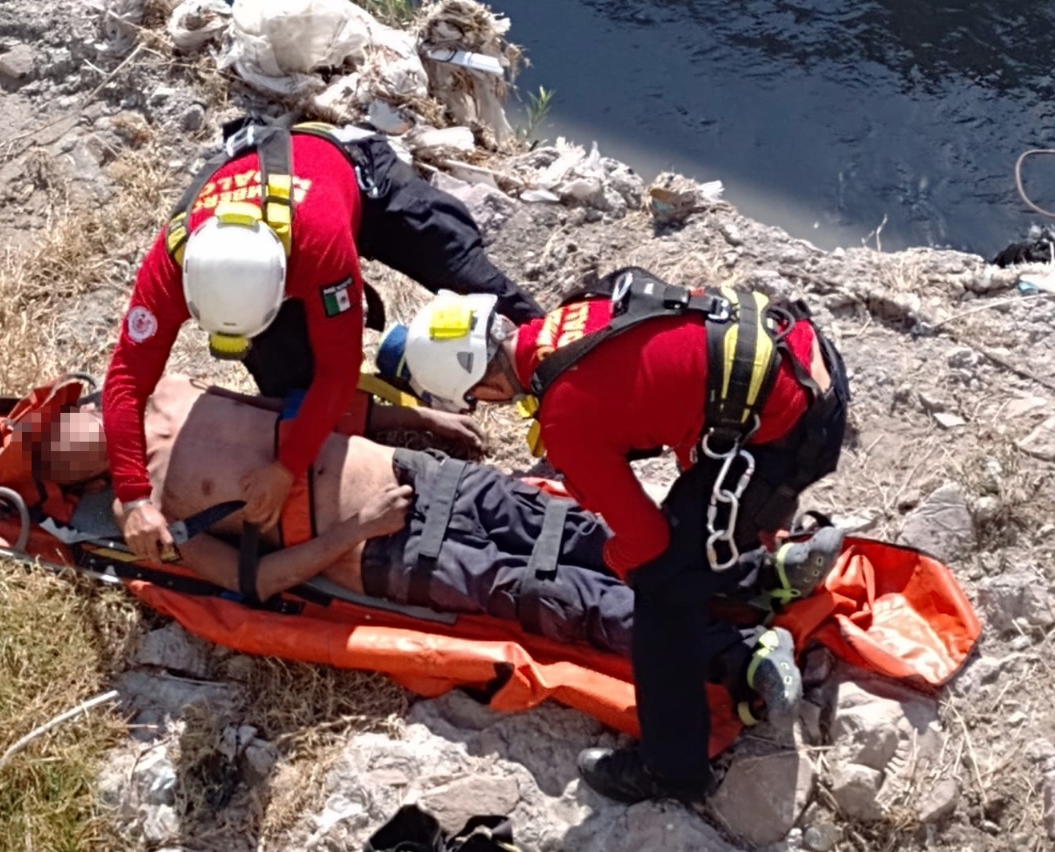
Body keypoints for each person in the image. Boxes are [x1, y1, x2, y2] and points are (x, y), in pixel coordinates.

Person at [43, 373, 804, 715]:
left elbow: (301, 409)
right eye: (54, 455)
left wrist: (424, 424)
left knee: (579, 531)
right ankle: (736, 658)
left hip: (419, 475)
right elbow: (255, 586)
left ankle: (751, 580)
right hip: (384, 553)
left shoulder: (170, 390)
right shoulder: (147, 521)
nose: (68, 442)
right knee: (555, 596)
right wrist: (357, 529)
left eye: (57, 425)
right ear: (72, 482)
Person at [397, 267, 851, 804]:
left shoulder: (566, 418)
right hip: (804, 361)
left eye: (476, 398)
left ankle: (672, 769)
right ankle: (770, 575)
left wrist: (619, 559)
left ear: (488, 385)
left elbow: (646, 540)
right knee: (690, 537)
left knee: (660, 589)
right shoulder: (569, 318)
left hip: (789, 429)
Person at [104, 119, 544, 564]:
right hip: (277, 217)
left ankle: (562, 368)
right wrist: (135, 496)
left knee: (471, 278)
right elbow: (125, 378)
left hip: (357, 179)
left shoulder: (319, 247)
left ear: (284, 284)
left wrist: (286, 468)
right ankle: (403, 368)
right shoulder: (172, 264)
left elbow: (339, 369)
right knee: (291, 380)